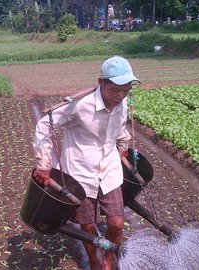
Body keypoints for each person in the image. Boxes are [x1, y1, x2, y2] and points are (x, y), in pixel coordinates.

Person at [33, 56, 138, 270]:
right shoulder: (79, 106)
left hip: (109, 171)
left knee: (116, 224)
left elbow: (119, 129)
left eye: (126, 90)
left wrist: (123, 145)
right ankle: (93, 261)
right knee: (88, 227)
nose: (120, 96)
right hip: (80, 173)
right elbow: (45, 125)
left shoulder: (122, 101)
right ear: (102, 83)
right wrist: (44, 164)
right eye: (115, 90)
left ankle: (107, 262)